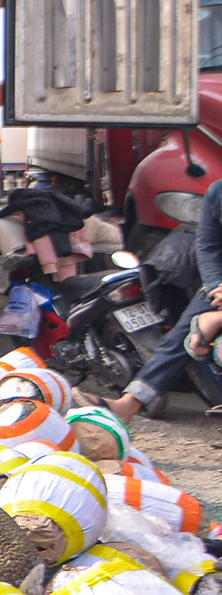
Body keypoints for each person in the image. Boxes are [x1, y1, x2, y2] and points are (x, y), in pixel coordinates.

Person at [106, 177, 222, 421]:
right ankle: (129, 403)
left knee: (206, 329)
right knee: (179, 338)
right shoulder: (218, 191)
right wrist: (215, 285)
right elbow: (208, 244)